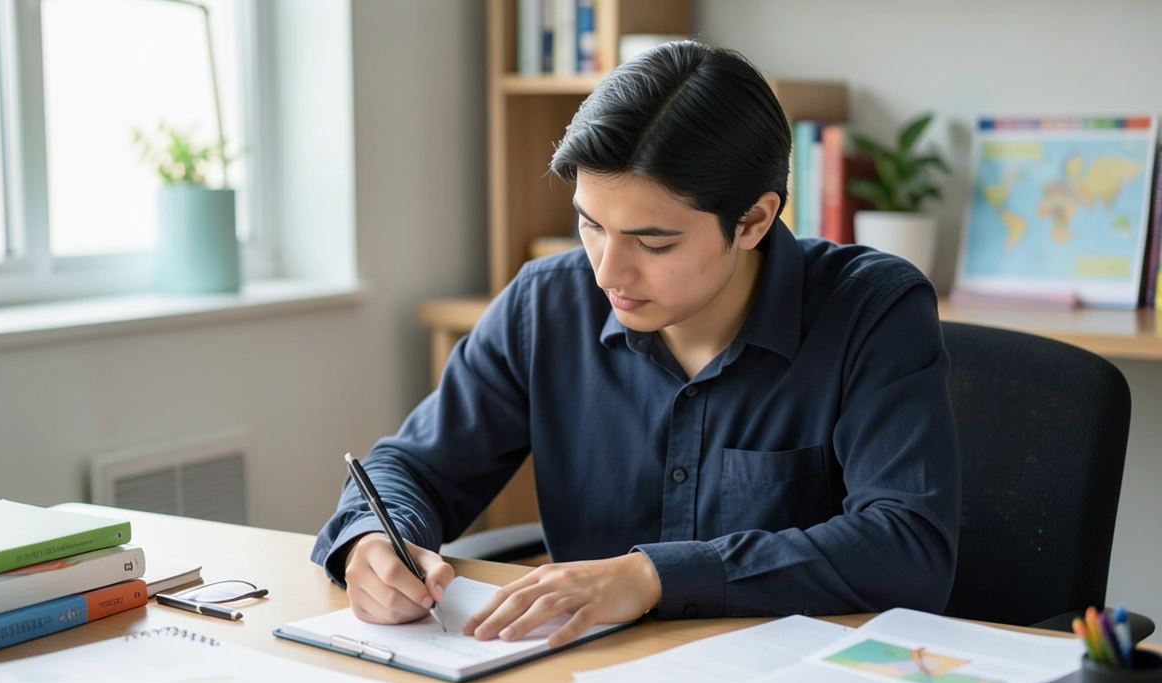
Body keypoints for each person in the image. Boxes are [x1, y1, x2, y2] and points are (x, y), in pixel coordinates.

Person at [311, 41, 959, 649]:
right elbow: (415, 468)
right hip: (585, 680)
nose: (607, 272)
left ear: (754, 220)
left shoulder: (872, 309)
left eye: (653, 243)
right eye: (590, 225)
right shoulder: (546, 303)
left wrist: (653, 576)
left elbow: (906, 546)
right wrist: (372, 540)